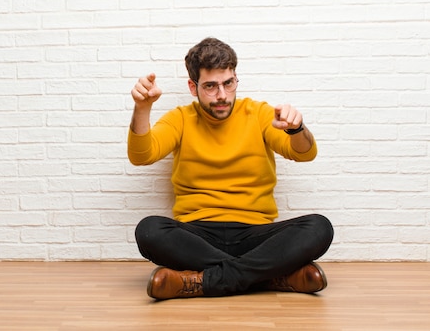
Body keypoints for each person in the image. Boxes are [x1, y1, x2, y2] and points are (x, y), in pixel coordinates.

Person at [128, 37, 334, 300]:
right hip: (198, 234)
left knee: (319, 227)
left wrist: (297, 129)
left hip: (255, 232)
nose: (222, 95)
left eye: (228, 83)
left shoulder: (258, 113)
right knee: (149, 231)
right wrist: (142, 108)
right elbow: (141, 156)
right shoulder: (180, 118)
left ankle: (197, 282)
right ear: (193, 87)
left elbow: (304, 154)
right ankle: (272, 276)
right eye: (211, 86)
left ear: (236, 79)